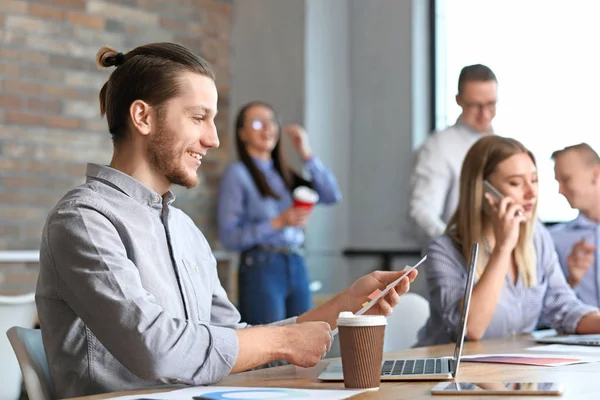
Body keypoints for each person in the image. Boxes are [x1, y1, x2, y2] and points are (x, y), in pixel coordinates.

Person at [35, 42, 418, 398]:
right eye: (199, 117)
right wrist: (280, 342)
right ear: (143, 117)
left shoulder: (183, 229)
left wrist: (347, 303)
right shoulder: (83, 220)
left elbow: (232, 342)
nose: (214, 139)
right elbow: (157, 350)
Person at [415, 135, 600, 347]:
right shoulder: (444, 250)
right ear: (484, 191)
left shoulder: (537, 237)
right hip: (449, 376)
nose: (531, 193)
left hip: (510, 373)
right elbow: (470, 328)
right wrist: (503, 248)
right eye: (515, 183)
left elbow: (563, 307)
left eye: (534, 180)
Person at [217, 101, 341, 324]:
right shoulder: (238, 174)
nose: (267, 128)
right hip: (261, 266)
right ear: (242, 133)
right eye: (257, 123)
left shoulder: (283, 174)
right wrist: (278, 222)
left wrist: (306, 154)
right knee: (269, 346)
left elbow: (332, 195)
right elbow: (228, 237)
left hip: (296, 261)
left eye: (272, 121)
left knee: (306, 338)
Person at [409, 64, 497, 243]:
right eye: (476, 105)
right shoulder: (439, 147)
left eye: (491, 104)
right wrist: (455, 246)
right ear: (459, 100)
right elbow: (422, 211)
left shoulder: (502, 145)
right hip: (458, 260)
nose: (485, 114)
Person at [550, 143, 600, 307]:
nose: (560, 191)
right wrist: (571, 280)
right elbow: (545, 312)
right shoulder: (552, 240)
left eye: (566, 179)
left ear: (595, 174)